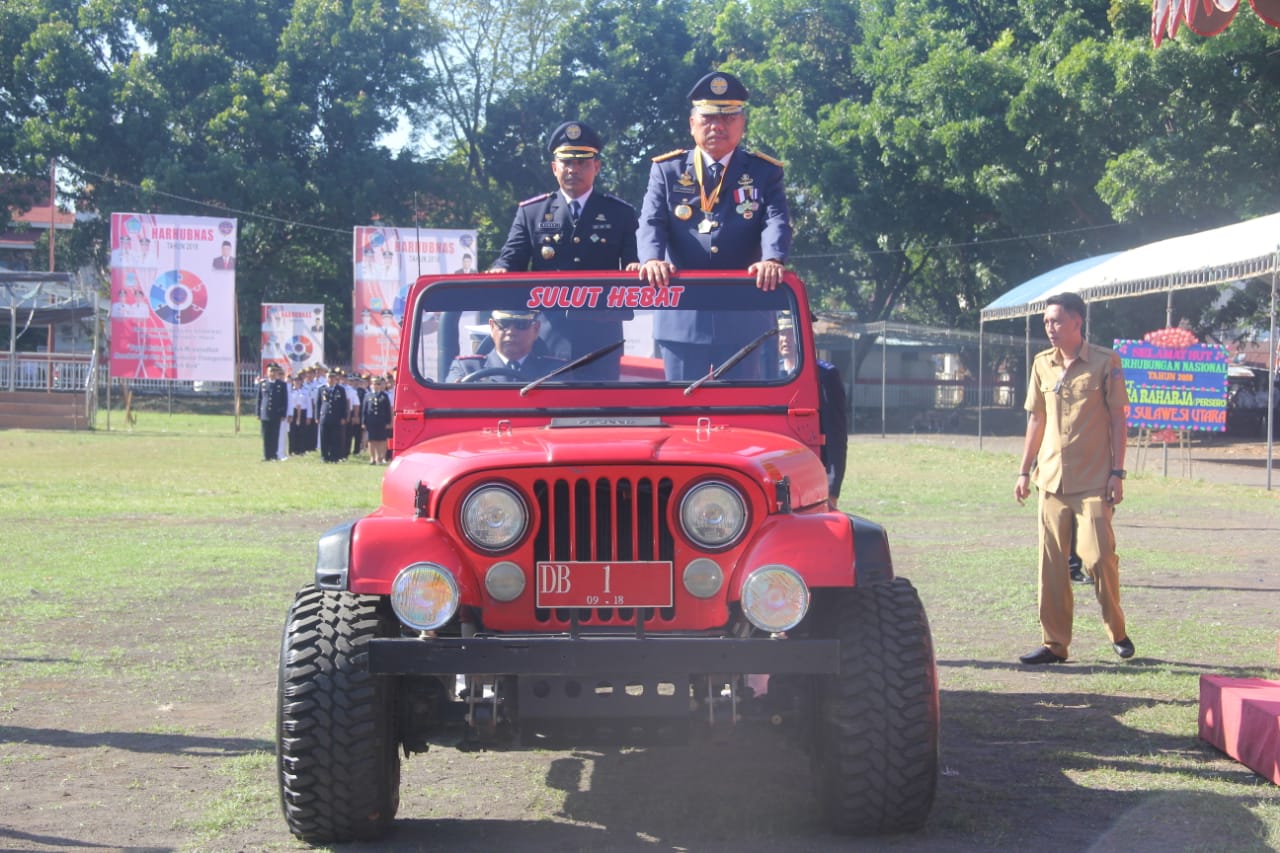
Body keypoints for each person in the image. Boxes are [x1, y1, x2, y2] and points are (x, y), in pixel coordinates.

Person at [637, 70, 792, 380]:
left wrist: (772, 259)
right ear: (692, 123)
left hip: (743, 316)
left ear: (742, 124)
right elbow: (651, 220)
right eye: (708, 118)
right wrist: (651, 259)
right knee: (681, 410)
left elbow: (776, 219)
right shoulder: (667, 170)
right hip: (682, 316)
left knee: (737, 413)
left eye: (729, 118)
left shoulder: (763, 171)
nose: (717, 126)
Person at [1014, 291, 1133, 665]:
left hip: (1095, 480)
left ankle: (1117, 630)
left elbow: (1118, 417)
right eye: (1047, 322)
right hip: (1050, 480)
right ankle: (1054, 644)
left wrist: (1117, 472)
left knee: (1098, 558)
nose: (1051, 328)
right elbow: (1036, 419)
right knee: (1051, 566)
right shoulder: (1041, 364)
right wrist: (1023, 470)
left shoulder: (1104, 361)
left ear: (1077, 322)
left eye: (1058, 321)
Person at [488, 120, 639, 379]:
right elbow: (511, 259)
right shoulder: (532, 212)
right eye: (567, 163)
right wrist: (499, 269)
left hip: (601, 338)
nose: (573, 169)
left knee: (601, 414)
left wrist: (637, 267)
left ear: (597, 167)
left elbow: (633, 264)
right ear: (554, 167)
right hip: (548, 337)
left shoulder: (620, 213)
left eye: (582, 163)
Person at [446, 309, 565, 382]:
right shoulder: (467, 369)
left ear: (535, 329)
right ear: (492, 327)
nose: (511, 332)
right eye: (503, 323)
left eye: (521, 324)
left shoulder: (556, 371)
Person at [256, 363, 288, 461]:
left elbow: (284, 400)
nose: (273, 373)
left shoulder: (281, 385)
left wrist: (283, 414)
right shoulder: (263, 384)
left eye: (275, 371)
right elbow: (259, 399)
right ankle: (266, 455)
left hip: (276, 414)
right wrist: (258, 413)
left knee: (274, 435)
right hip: (265, 413)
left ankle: (273, 455)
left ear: (277, 373)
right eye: (271, 371)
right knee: (266, 436)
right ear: (267, 372)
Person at [317, 368, 350, 463]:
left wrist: (344, 417)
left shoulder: (341, 389)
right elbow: (318, 403)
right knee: (324, 437)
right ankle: (324, 456)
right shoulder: (321, 389)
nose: (331, 379)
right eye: (329, 377)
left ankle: (334, 456)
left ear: (336, 378)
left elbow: (344, 404)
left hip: (336, 417)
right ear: (326, 378)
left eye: (332, 377)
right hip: (325, 417)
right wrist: (317, 416)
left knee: (335, 438)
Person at [362, 375, 393, 464]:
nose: (376, 385)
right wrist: (363, 422)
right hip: (371, 421)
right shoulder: (367, 395)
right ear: (371, 384)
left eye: (378, 384)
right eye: (374, 383)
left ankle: (380, 457)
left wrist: (388, 421)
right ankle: (372, 458)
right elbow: (364, 409)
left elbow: (387, 410)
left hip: (382, 421)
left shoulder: (384, 396)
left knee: (382, 440)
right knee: (371, 440)